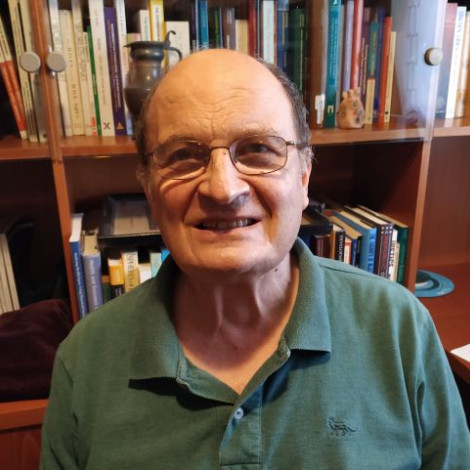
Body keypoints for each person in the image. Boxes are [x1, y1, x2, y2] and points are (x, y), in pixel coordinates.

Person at [40, 49, 470, 469]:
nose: (223, 189)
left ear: (303, 177)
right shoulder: (85, 359)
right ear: (150, 189)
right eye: (183, 156)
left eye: (258, 149)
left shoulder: (399, 329)